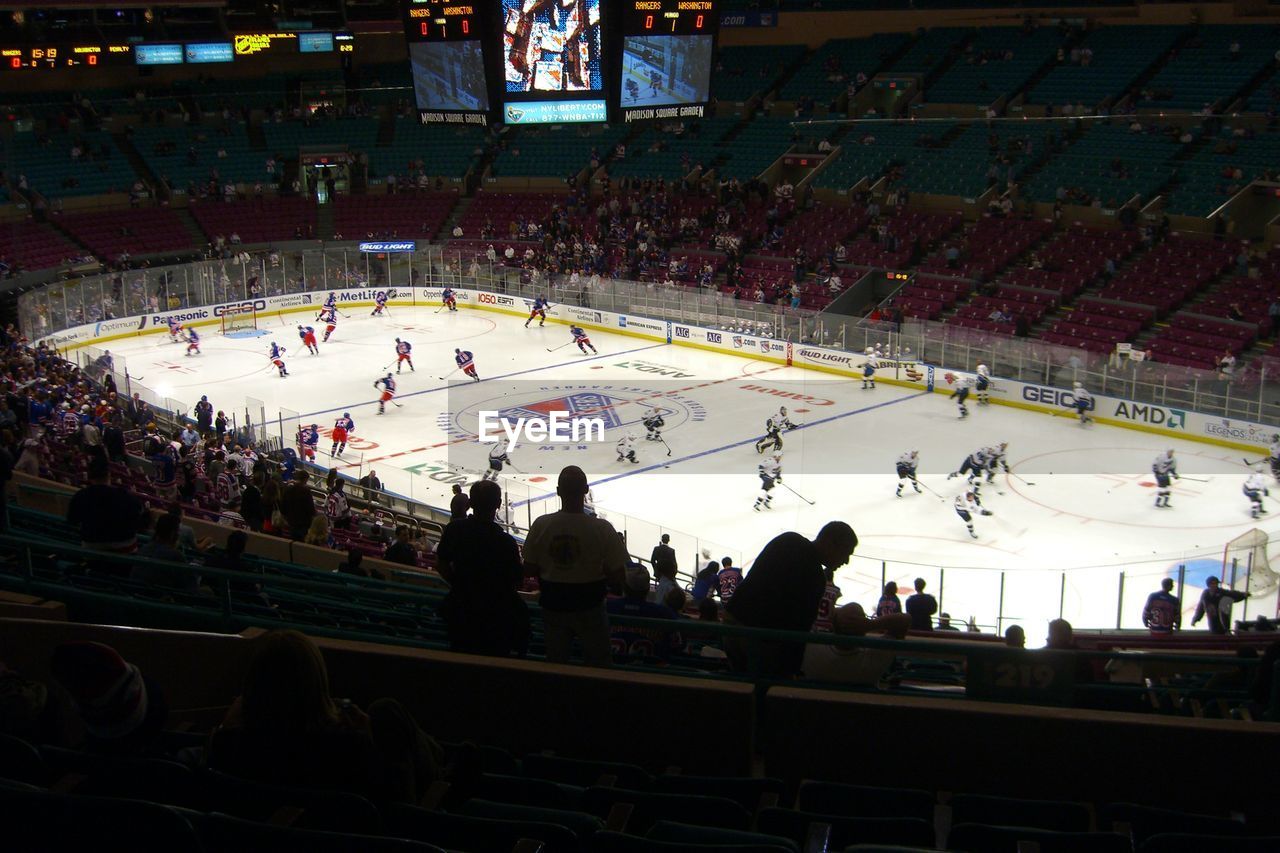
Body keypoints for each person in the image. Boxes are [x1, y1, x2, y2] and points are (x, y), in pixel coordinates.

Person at [207, 630, 443, 803]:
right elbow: (397, 800)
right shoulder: (351, 748)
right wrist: (371, 737)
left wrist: (224, 729)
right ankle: (443, 762)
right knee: (388, 711)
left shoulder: (227, 748)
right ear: (317, 685)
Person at [521, 466, 629, 667]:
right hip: (590, 608)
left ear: (558, 491)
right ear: (586, 490)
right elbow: (618, 576)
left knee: (555, 663)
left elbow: (528, 569)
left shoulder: (541, 525)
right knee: (599, 665)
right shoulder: (602, 529)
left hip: (553, 607)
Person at [724, 521, 859, 678]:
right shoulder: (815, 576)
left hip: (732, 624)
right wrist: (792, 671)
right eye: (846, 553)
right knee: (763, 691)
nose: (846, 561)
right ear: (830, 543)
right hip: (759, 640)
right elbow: (799, 629)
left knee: (742, 684)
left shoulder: (788, 540)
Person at [436, 480, 528, 656]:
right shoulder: (506, 542)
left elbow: (442, 564)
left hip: (461, 611)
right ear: (498, 505)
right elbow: (516, 581)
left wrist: (459, 583)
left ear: (470, 504)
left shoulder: (455, 530)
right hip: (496, 618)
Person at [801, 602, 909, 686]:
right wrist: (871, 624)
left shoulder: (812, 651)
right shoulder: (873, 660)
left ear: (833, 627)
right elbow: (904, 620)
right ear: (864, 631)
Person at [66, 456, 147, 555]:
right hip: (125, 550)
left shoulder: (80, 496)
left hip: (92, 550)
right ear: (109, 474)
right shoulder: (125, 496)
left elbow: (72, 521)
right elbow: (141, 520)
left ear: (90, 476)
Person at [607, 564, 683, 663]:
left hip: (610, 673)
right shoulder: (664, 613)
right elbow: (677, 646)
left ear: (624, 586)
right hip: (652, 674)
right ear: (647, 589)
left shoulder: (607, 607)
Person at [281, 470, 316, 540]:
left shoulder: (288, 489)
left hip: (291, 520)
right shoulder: (306, 491)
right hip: (303, 522)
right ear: (305, 479)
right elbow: (310, 508)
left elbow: (283, 505)